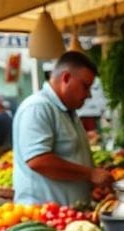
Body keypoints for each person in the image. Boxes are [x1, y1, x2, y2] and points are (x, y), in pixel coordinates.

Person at [13, 51, 111, 206]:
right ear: (66, 78)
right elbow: (38, 161)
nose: (88, 95)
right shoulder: (38, 107)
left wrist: (90, 185)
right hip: (42, 218)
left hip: (67, 214)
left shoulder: (68, 111)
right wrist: (90, 174)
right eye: (85, 86)